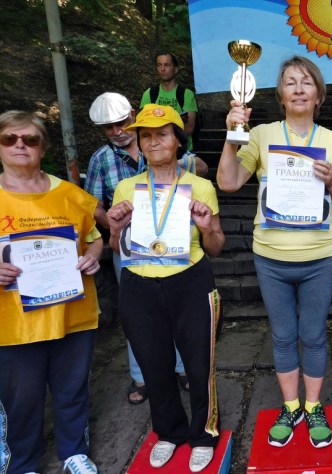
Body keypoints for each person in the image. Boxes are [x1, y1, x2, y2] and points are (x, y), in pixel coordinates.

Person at [216, 56, 332, 449]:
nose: (298, 89)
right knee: (282, 335)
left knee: (313, 335)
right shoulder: (261, 134)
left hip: (319, 257)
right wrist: (232, 135)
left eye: (306, 82)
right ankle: (291, 406)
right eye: (290, 82)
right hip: (271, 257)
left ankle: (313, 406)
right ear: (280, 94)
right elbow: (228, 182)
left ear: (318, 95)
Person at [107, 104, 224, 472]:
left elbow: (216, 246)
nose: (153, 141)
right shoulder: (127, 188)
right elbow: (118, 248)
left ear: (178, 141)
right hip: (139, 285)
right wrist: (114, 229)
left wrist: (206, 227)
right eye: (145, 136)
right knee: (153, 365)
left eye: (162, 134)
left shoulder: (200, 187)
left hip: (190, 282)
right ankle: (169, 431)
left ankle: (204, 434)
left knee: (199, 365)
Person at [86, 92, 207, 405]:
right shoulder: (101, 158)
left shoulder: (161, 144)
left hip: (176, 242)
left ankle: (181, 369)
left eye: (121, 123)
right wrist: (116, 223)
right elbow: (93, 204)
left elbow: (203, 168)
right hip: (130, 245)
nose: (117, 131)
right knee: (138, 316)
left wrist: (182, 161)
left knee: (178, 311)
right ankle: (142, 375)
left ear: (133, 115)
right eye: (108, 127)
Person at [0, 111, 102, 474]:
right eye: (9, 139)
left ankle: (74, 452)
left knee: (72, 389)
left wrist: (93, 256)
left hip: (72, 314)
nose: (20, 145)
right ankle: (21, 464)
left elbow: (94, 237)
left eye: (30, 139)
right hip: (14, 324)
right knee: (20, 399)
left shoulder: (70, 193)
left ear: (42, 148)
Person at [140, 52, 198, 150]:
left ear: (175, 69)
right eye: (159, 65)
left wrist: (163, 138)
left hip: (182, 151)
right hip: (156, 150)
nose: (162, 69)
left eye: (166, 65)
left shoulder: (186, 94)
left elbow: (189, 127)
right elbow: (142, 124)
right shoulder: (149, 94)